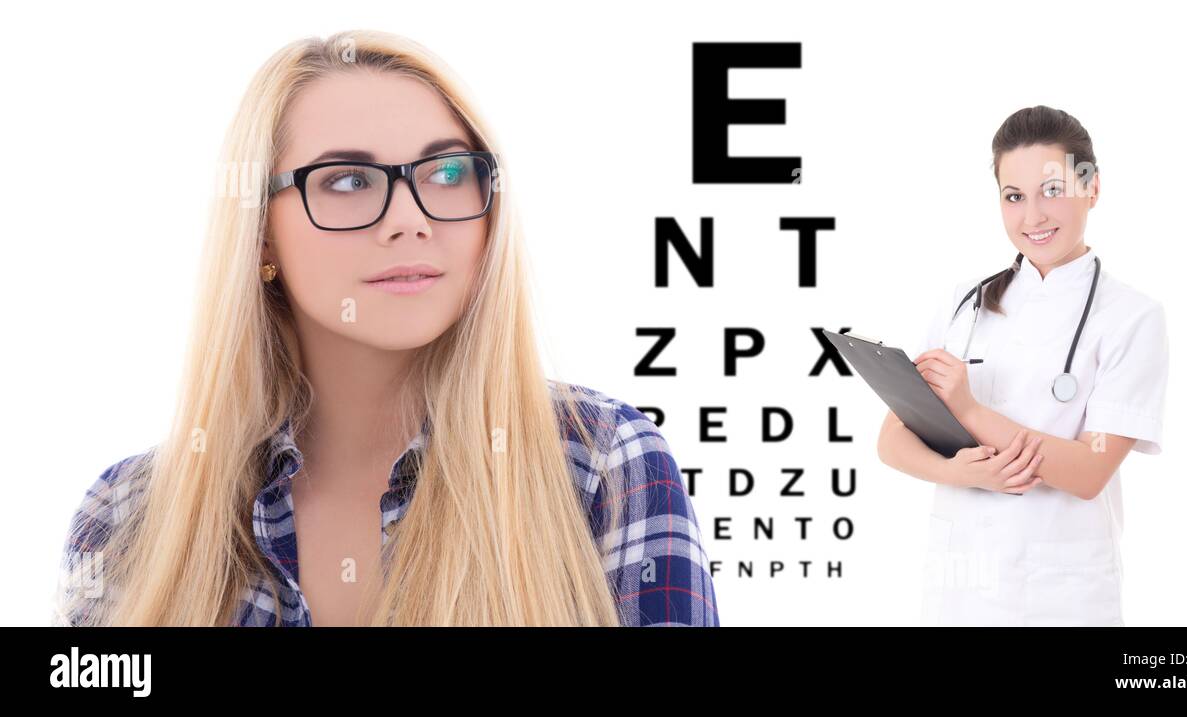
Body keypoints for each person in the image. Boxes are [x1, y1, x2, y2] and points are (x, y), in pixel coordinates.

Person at [54, 30, 718, 627]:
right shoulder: (124, 516)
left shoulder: (601, 464)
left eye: (448, 172)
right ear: (260, 237)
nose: (410, 219)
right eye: (346, 180)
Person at [877, 105, 1169, 626]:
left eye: (1051, 191)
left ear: (1092, 188)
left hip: (1062, 595)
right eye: (1014, 197)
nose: (1032, 216)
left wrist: (968, 409)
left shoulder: (1130, 318)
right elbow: (891, 440)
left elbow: (1088, 471)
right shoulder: (962, 303)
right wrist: (955, 471)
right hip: (960, 590)